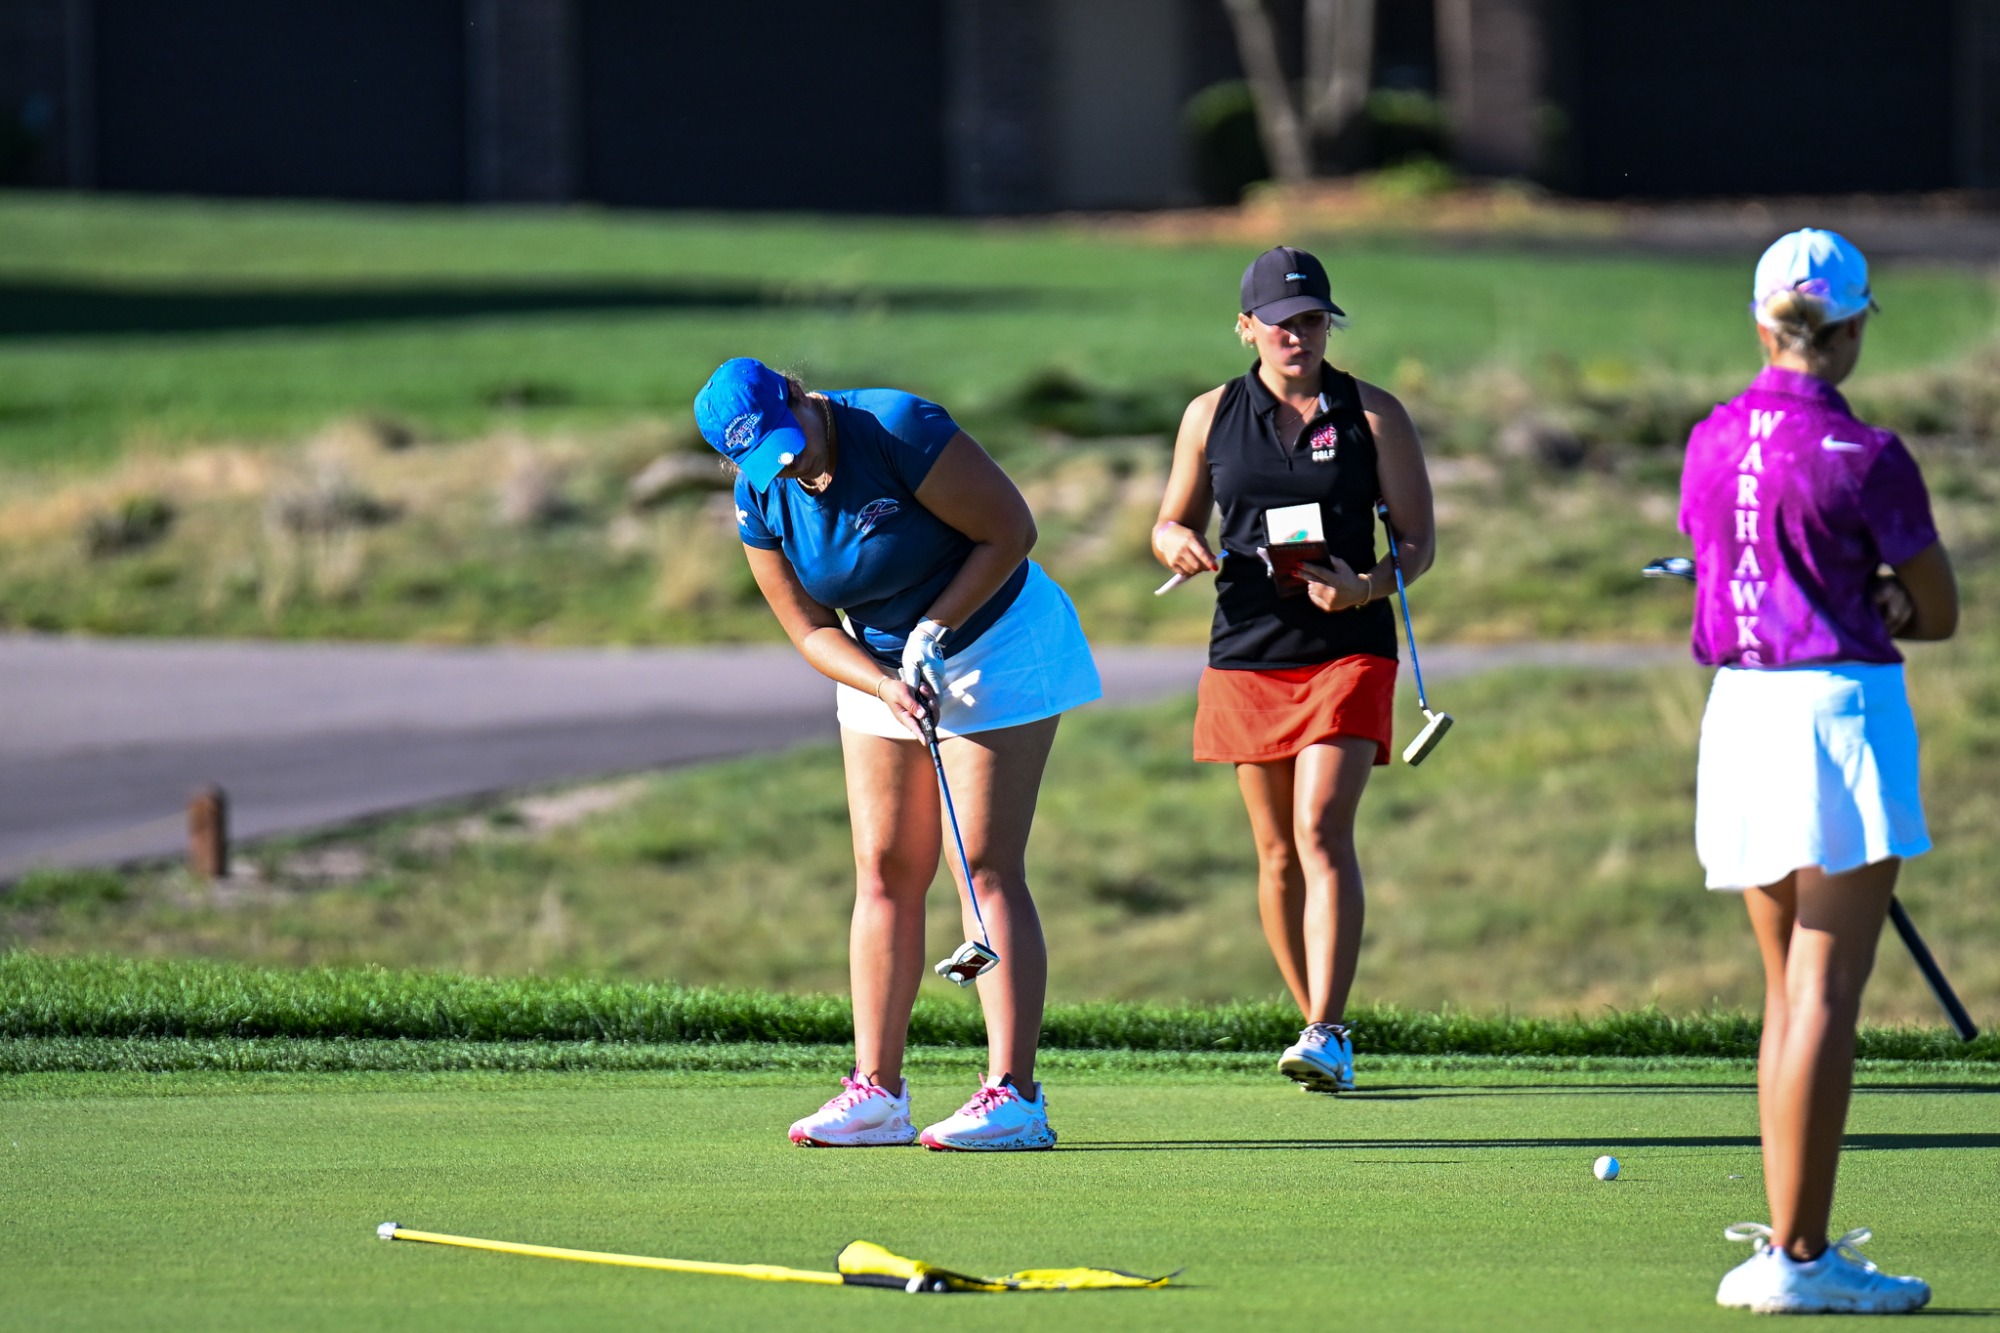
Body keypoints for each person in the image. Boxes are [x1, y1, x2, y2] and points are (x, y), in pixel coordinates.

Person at [693, 358, 1101, 1152]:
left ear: (801, 395)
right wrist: (883, 684)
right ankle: (876, 1092)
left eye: (793, 440)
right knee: (883, 864)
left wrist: (934, 629)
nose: (794, 464)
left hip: (995, 641)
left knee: (982, 861)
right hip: (879, 666)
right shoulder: (761, 492)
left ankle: (1015, 1097)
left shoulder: (896, 428)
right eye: (766, 460)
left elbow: (1010, 531)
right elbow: (811, 630)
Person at [1683, 230, 1957, 1314]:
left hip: (1738, 713)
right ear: (1845, 333)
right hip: (1834, 712)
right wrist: (1886, 599)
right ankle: (1798, 1260)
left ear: (1761, 323)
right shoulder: (1868, 454)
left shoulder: (1705, 439)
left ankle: (1786, 1249)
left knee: (1784, 991)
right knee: (1824, 992)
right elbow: (1934, 608)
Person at [1151, 247, 1435, 1093]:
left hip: (1348, 645)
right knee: (1275, 853)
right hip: (1247, 645)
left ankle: (1327, 1025)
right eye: (1281, 323)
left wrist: (1368, 586)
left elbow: (1419, 544)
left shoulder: (1373, 414)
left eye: (1312, 321)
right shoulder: (1209, 415)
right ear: (1248, 328)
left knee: (1319, 827)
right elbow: (1169, 521)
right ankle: (1316, 1025)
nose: (1298, 337)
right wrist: (1177, 541)